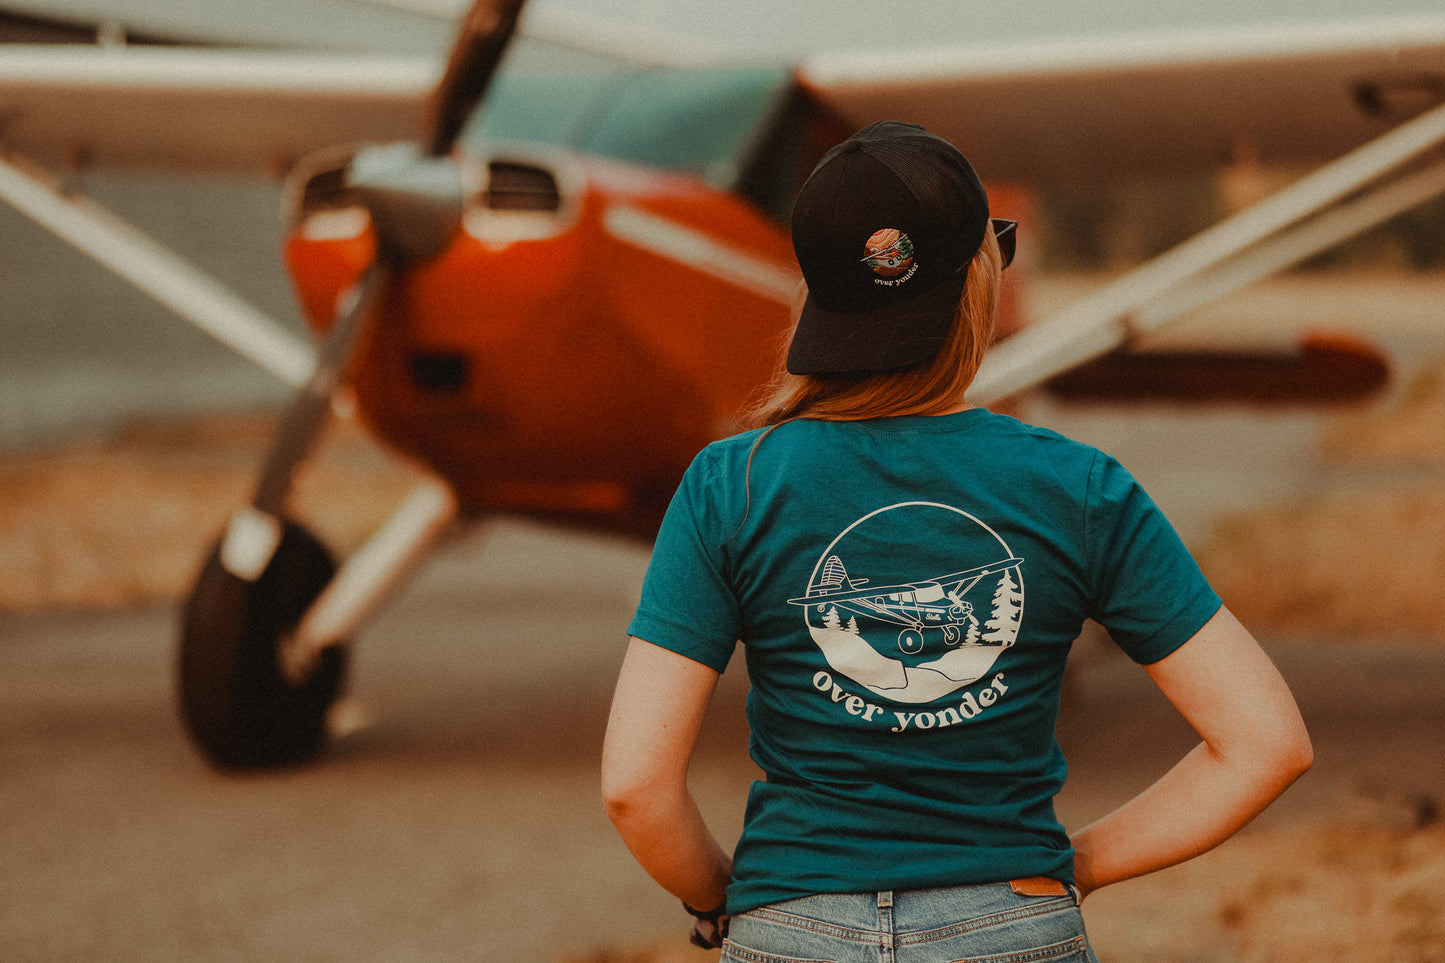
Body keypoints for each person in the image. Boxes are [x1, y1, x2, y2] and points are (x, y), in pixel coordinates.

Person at [601, 120, 1312, 961]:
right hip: (1012, 918)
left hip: (791, 922)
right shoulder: (1080, 486)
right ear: (976, 283)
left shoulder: (730, 483)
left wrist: (725, 894)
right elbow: (1266, 742)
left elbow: (635, 787)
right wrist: (1072, 864)